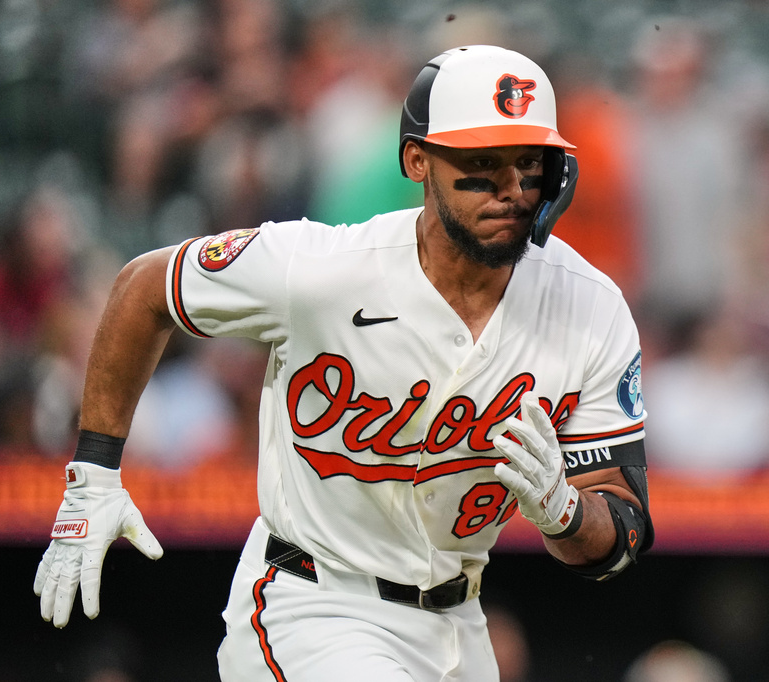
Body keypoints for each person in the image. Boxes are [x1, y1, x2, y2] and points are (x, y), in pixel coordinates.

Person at [34, 45, 654, 681]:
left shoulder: (590, 308)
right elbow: (146, 288)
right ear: (419, 159)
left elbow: (622, 535)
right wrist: (94, 470)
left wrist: (564, 511)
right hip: (313, 601)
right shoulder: (322, 267)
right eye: (481, 163)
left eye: (530, 164)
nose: (511, 190)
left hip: (459, 623)